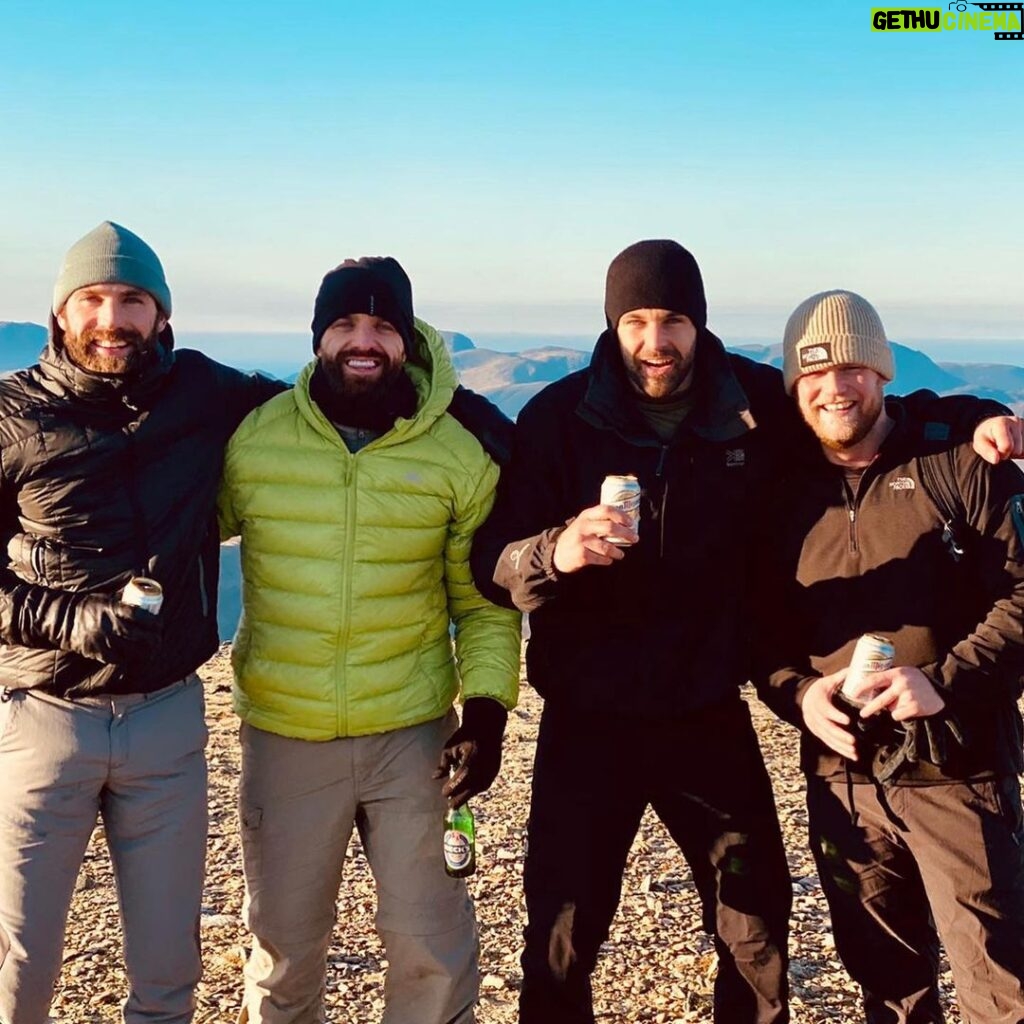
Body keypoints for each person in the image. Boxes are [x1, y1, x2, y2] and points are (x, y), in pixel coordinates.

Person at [470, 240, 1024, 1024]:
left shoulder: (755, 403)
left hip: (705, 707)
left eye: (673, 320)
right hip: (589, 719)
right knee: (563, 930)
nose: (656, 340)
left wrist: (978, 421)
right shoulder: (559, 418)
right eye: (636, 320)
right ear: (612, 323)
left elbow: (865, 413)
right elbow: (488, 561)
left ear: (699, 323)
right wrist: (553, 552)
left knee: (756, 925)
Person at [218, 256, 522, 1024]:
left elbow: (482, 602)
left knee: (431, 945)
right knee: (284, 949)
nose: (364, 341)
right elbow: (171, 527)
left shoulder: (456, 453)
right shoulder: (254, 438)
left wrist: (485, 711)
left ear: (407, 338)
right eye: (346, 324)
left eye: (383, 326)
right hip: (287, 731)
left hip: (413, 734)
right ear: (319, 337)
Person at [0, 222, 281, 1023]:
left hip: (167, 718)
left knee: (167, 967)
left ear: (163, 317)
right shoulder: (11, 415)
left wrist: (464, 406)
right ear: (60, 314)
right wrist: (68, 622)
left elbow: (325, 404)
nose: (111, 317)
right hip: (43, 717)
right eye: (92, 298)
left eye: (133, 300)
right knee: (19, 963)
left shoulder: (204, 392)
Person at [753, 290, 1024, 1024]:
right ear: (792, 388)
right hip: (843, 780)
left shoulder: (958, 461)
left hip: (958, 772)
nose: (833, 388)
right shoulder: (781, 492)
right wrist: (800, 695)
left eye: (852, 368)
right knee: (887, 985)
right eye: (812, 375)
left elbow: (1022, 598)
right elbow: (762, 632)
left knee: (1001, 987)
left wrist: (943, 683)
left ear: (883, 372)